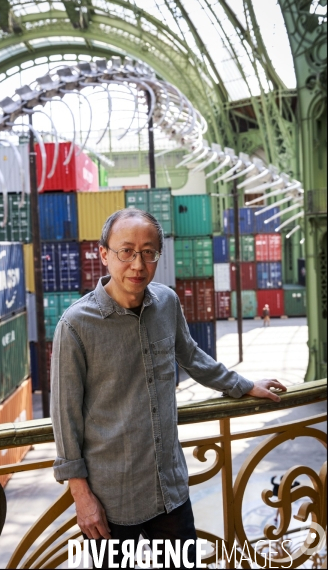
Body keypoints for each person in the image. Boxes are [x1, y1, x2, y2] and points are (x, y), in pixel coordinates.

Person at [50, 209, 286, 569]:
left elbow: (192, 356)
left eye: (148, 252)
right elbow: (65, 418)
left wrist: (243, 385)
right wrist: (81, 497)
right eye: (126, 251)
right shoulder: (75, 326)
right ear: (103, 254)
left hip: (169, 489)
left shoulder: (167, 303)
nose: (137, 264)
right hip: (112, 500)